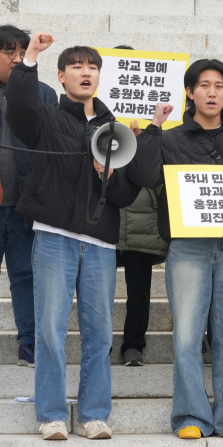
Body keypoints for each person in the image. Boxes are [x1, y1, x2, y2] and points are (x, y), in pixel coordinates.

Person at [5, 33, 141, 440]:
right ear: (61, 77)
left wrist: (111, 177)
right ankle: (50, 415)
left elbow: (127, 193)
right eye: (77, 66)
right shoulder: (46, 116)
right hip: (53, 237)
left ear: (100, 77)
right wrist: (30, 57)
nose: (86, 72)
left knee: (98, 332)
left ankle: (94, 413)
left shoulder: (115, 128)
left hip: (99, 242)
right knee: (50, 329)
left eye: (93, 66)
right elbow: (20, 108)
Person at [126, 58, 223, 439]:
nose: (212, 92)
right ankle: (190, 415)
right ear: (189, 92)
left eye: (219, 86)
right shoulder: (170, 138)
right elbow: (141, 176)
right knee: (188, 336)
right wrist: (153, 128)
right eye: (204, 85)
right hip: (188, 247)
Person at [0, 25, 57, 368]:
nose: (18, 59)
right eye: (9, 52)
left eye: (23, 52)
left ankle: (30, 342)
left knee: (25, 275)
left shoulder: (44, 93)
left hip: (25, 203)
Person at [110, 45, 169, 367]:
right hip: (105, 220)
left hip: (142, 220)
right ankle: (103, 341)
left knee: (139, 291)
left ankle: (134, 345)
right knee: (98, 290)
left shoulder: (158, 125)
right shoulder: (97, 119)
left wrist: (147, 135)